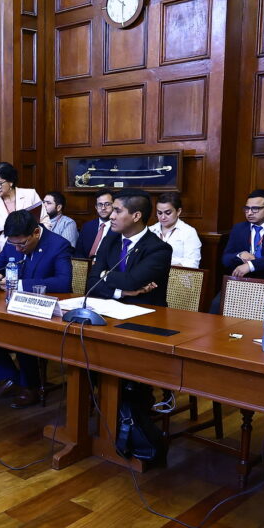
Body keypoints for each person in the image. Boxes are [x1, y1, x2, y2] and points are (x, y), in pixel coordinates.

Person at [85, 189, 172, 464]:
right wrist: (123, 290)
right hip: (108, 315)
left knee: (123, 371)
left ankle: (128, 417)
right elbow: (91, 281)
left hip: (143, 322)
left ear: (136, 216)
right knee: (85, 354)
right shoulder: (110, 239)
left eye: (117, 210)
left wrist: (111, 279)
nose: (111, 215)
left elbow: (134, 280)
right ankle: (102, 417)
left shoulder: (158, 248)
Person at [0, 210, 73, 408]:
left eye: (22, 244)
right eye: (13, 244)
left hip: (43, 311)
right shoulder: (13, 241)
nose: (17, 248)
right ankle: (9, 377)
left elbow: (63, 283)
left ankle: (29, 385)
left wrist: (20, 285)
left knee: (23, 334)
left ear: (36, 233)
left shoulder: (58, 245)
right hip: (11, 306)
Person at [212, 189, 264, 313]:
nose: (249, 213)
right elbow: (225, 259)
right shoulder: (239, 228)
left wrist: (250, 265)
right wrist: (239, 254)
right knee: (215, 306)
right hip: (242, 281)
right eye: (247, 209)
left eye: (255, 209)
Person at [0, 162, 41, 255]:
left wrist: (34, 242)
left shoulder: (30, 195)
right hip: (3, 252)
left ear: (10, 182)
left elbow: (44, 222)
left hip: (32, 248)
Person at [148, 191, 201, 269]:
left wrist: (164, 266)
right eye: (159, 213)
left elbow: (192, 264)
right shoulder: (150, 231)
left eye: (168, 213)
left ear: (178, 211)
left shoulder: (189, 232)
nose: (163, 217)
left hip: (176, 275)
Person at [74, 188, 114, 260]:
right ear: (96, 207)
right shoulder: (87, 226)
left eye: (107, 204)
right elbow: (79, 252)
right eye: (100, 204)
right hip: (86, 264)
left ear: (114, 205)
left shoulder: (119, 228)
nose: (103, 208)